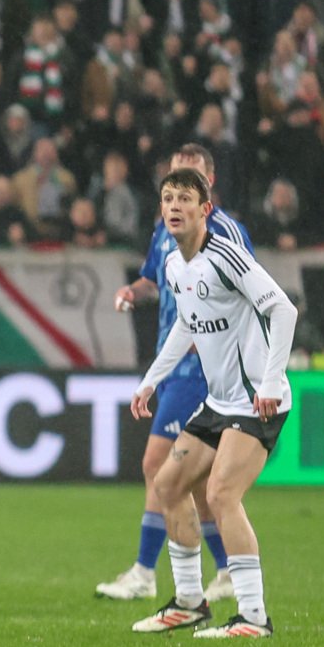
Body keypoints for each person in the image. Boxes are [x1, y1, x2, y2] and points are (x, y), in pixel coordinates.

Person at [129, 168, 296, 638]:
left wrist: (270, 380)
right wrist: (150, 381)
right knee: (167, 484)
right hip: (219, 401)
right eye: (168, 198)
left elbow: (283, 309)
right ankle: (188, 602)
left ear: (205, 210)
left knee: (222, 495)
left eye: (185, 198)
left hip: (255, 401)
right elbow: (187, 325)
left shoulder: (226, 255)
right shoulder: (173, 266)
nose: (175, 206)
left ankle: (254, 617)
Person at [99, 145, 251, 602]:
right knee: (199, 481)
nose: (179, 195)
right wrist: (133, 289)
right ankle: (226, 572)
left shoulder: (225, 233)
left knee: (157, 466)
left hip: (203, 368)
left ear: (209, 184)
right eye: (173, 183)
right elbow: (155, 282)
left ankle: (147, 573)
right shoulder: (165, 233)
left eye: (190, 182)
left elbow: (248, 293)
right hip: (175, 362)